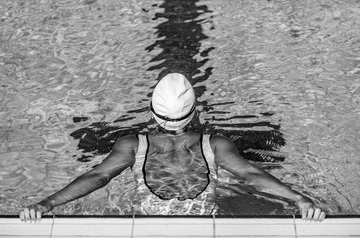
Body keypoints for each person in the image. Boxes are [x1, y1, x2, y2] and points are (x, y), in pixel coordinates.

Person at [20, 73, 326, 222]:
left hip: (150, 225)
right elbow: (250, 174)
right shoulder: (215, 144)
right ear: (195, 113)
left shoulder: (132, 144)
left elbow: (98, 177)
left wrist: (46, 204)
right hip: (205, 223)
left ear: (151, 113)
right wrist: (298, 199)